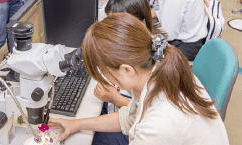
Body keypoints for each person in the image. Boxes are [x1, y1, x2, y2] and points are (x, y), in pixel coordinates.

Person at [49, 12, 229, 145]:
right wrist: (76, 124)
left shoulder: (160, 123)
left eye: (103, 71)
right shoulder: (156, 66)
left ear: (127, 70)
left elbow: (144, 126)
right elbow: (128, 119)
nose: (103, 77)